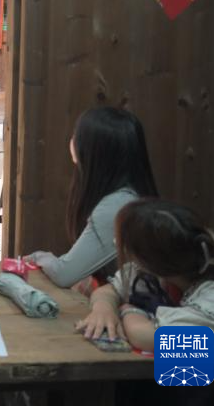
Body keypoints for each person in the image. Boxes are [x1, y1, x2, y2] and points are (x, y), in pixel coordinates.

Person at [77, 198, 214, 405]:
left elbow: (150, 338)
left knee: (181, 369)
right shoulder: (176, 265)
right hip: (213, 376)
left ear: (148, 259)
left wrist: (128, 309)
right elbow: (111, 290)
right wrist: (103, 309)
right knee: (180, 370)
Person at [26, 107, 159, 289]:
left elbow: (63, 274)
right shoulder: (127, 197)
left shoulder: (116, 207)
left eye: (77, 135)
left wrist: (38, 257)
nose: (72, 140)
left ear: (94, 150)